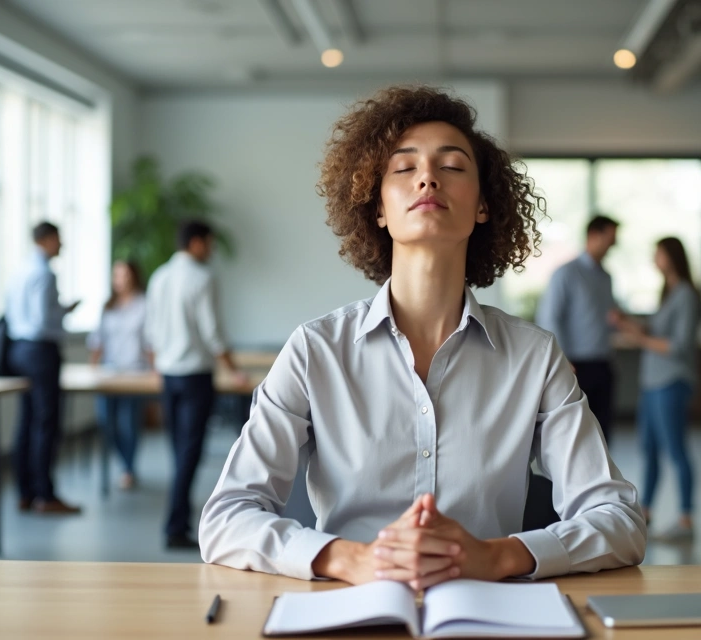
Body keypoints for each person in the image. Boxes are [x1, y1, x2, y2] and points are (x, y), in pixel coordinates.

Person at [199, 86, 646, 590]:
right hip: (352, 612)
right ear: (379, 208)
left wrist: (496, 557)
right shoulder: (314, 350)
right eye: (404, 168)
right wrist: (349, 559)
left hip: (486, 615)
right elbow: (225, 519)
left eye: (452, 166)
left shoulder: (534, 356)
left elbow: (621, 521)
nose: (428, 177)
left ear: (482, 206)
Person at [145, 220, 248, 550]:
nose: (213, 249)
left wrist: (157, 365)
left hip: (168, 374)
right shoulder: (203, 278)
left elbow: (151, 331)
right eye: (209, 242)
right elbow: (213, 333)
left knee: (178, 451)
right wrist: (234, 372)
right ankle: (175, 528)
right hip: (194, 376)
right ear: (196, 243)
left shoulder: (159, 276)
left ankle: (178, 521)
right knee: (189, 453)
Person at [612, 237, 700, 540]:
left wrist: (642, 340)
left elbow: (679, 345)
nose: (654, 259)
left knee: (676, 451)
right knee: (649, 450)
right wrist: (627, 324)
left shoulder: (686, 294)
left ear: (672, 257)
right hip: (652, 385)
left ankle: (686, 519)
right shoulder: (669, 292)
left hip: (671, 383)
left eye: (658, 254)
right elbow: (656, 332)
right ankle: (645, 513)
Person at [4, 221, 81, 514]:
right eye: (59, 239)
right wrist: (60, 317)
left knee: (26, 422)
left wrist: (60, 309)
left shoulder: (20, 270)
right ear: (47, 240)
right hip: (41, 351)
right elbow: (39, 321)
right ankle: (45, 495)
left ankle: (25, 491)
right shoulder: (45, 273)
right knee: (47, 424)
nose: (62, 245)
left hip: (18, 349)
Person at [535, 215, 621, 443]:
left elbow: (609, 317)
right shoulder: (566, 273)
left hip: (603, 364)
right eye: (610, 239)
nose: (613, 245)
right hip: (575, 366)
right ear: (593, 236)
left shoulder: (606, 277)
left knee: (603, 435)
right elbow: (550, 317)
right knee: (575, 436)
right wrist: (561, 359)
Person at [87, 260, 150, 490]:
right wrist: (91, 367)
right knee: (107, 423)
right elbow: (97, 340)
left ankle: (128, 468)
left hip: (135, 374)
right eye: (117, 275)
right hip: (108, 374)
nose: (120, 279)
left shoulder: (144, 304)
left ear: (133, 276)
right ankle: (125, 462)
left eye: (125, 274)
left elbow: (149, 342)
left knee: (128, 423)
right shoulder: (108, 306)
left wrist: (155, 372)